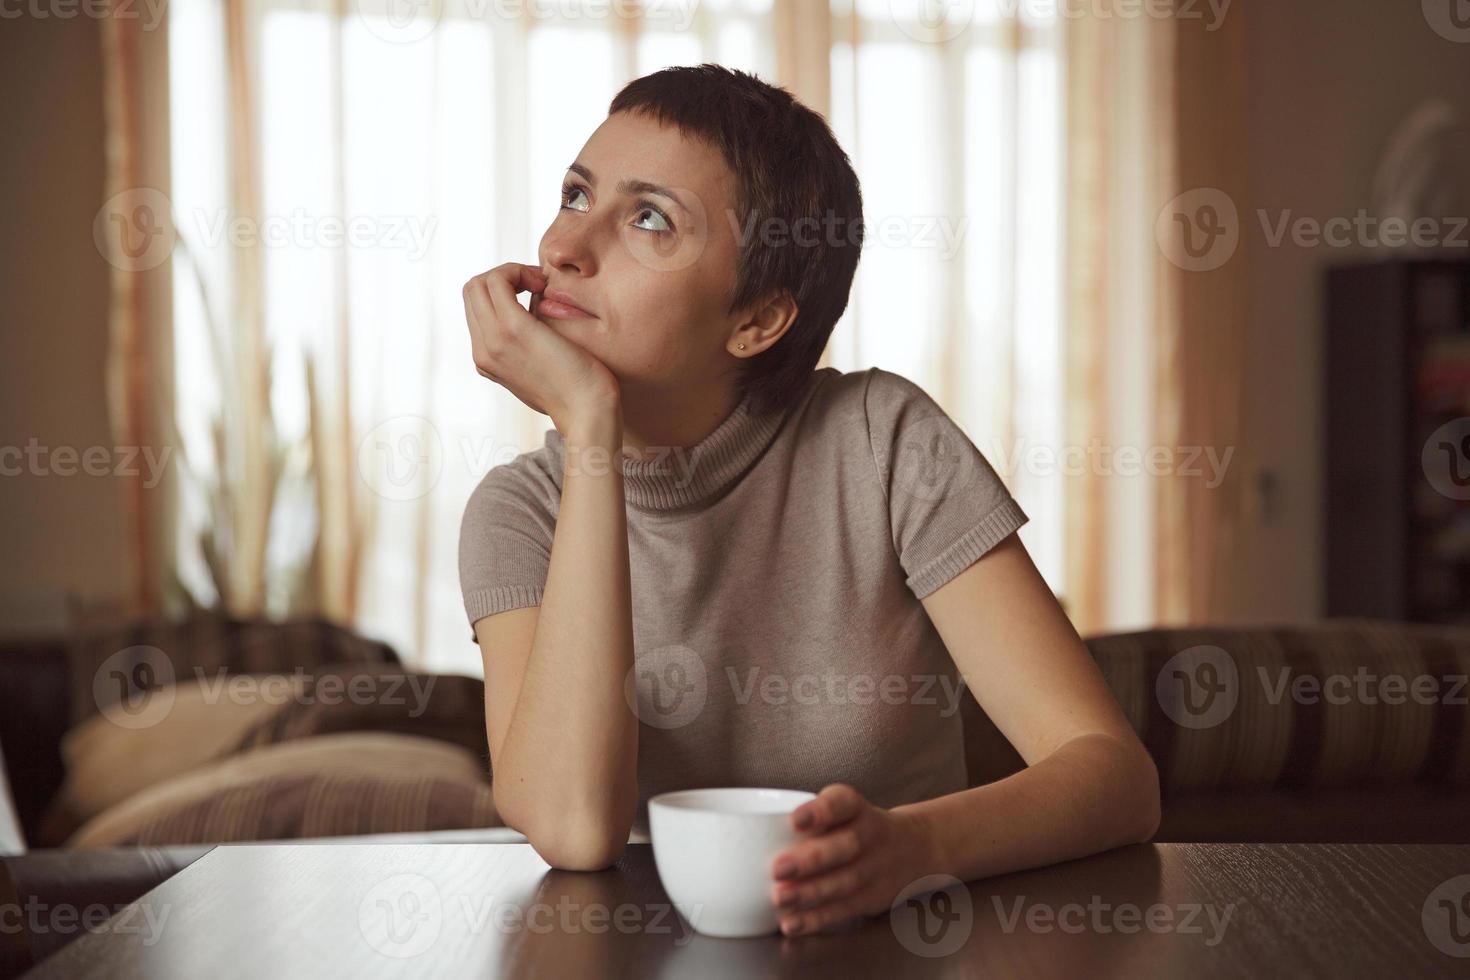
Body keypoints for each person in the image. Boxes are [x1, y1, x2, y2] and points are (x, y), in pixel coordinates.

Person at [459, 63, 1159, 938]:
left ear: (756, 319)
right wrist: (592, 429)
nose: (564, 246)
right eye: (575, 193)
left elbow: (1113, 775)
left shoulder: (883, 442)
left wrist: (910, 847)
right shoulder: (516, 513)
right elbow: (574, 828)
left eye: (648, 218)